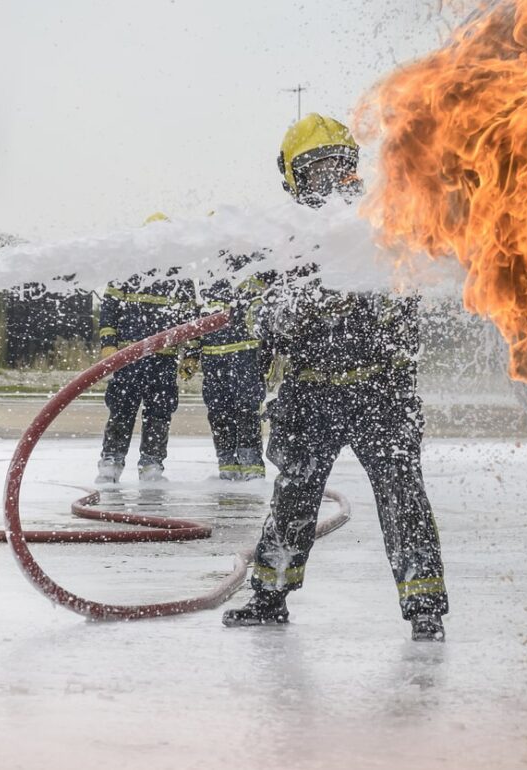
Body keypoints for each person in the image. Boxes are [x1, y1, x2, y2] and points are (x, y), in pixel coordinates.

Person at [223, 114, 449, 641]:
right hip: (309, 390)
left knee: (402, 494)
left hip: (381, 387)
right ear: (295, 183)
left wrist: (364, 295)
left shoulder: (382, 226)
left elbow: (408, 300)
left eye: (337, 167)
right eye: (315, 170)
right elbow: (259, 316)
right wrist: (294, 305)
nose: (329, 180)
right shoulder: (282, 242)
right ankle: (269, 594)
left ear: (353, 171)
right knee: (295, 494)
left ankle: (424, 607)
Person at [96, 219, 198, 483]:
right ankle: (111, 461)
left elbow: (191, 321)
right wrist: (108, 343)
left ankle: (152, 465)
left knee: (159, 414)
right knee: (121, 411)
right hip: (129, 359)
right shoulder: (126, 269)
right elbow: (109, 310)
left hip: (163, 362)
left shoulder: (179, 276)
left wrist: (192, 355)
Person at [197, 252, 274, 481]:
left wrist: (266, 355)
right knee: (219, 413)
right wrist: (192, 353)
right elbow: (196, 319)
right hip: (214, 359)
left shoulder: (255, 267)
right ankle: (226, 461)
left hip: (246, 356)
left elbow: (266, 316)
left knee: (247, 411)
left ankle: (251, 465)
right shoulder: (207, 276)